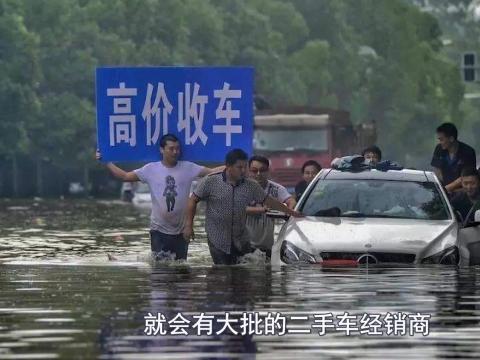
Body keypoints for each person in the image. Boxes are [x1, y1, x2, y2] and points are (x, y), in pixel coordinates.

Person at [96, 133, 224, 260]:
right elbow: (125, 176)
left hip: (181, 229)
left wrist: (233, 165)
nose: (175, 152)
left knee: (181, 269)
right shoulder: (150, 169)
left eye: (177, 149)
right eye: (171, 149)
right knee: (160, 270)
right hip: (158, 229)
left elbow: (211, 172)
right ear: (162, 149)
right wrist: (106, 162)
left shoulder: (188, 167)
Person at [184, 149, 303, 265]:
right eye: (239, 167)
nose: (243, 171)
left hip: (241, 239)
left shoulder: (251, 185)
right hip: (217, 238)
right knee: (222, 273)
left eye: (245, 167)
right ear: (228, 167)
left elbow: (270, 201)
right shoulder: (210, 181)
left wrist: (291, 212)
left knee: (241, 275)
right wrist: (189, 225)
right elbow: (193, 200)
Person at [245, 155, 296, 258]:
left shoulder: (276, 189)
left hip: (267, 246)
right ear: (248, 171)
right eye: (254, 171)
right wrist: (260, 210)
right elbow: (237, 209)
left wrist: (288, 211)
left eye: (262, 170)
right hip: (244, 245)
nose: (258, 174)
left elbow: (291, 200)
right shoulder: (241, 188)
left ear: (268, 171)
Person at [431, 123, 476, 193]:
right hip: (443, 190)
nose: (440, 142)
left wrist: (447, 188)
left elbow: (466, 176)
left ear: (451, 139)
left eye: (441, 139)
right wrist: (441, 188)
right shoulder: (439, 149)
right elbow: (437, 172)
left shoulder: (468, 152)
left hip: (462, 190)